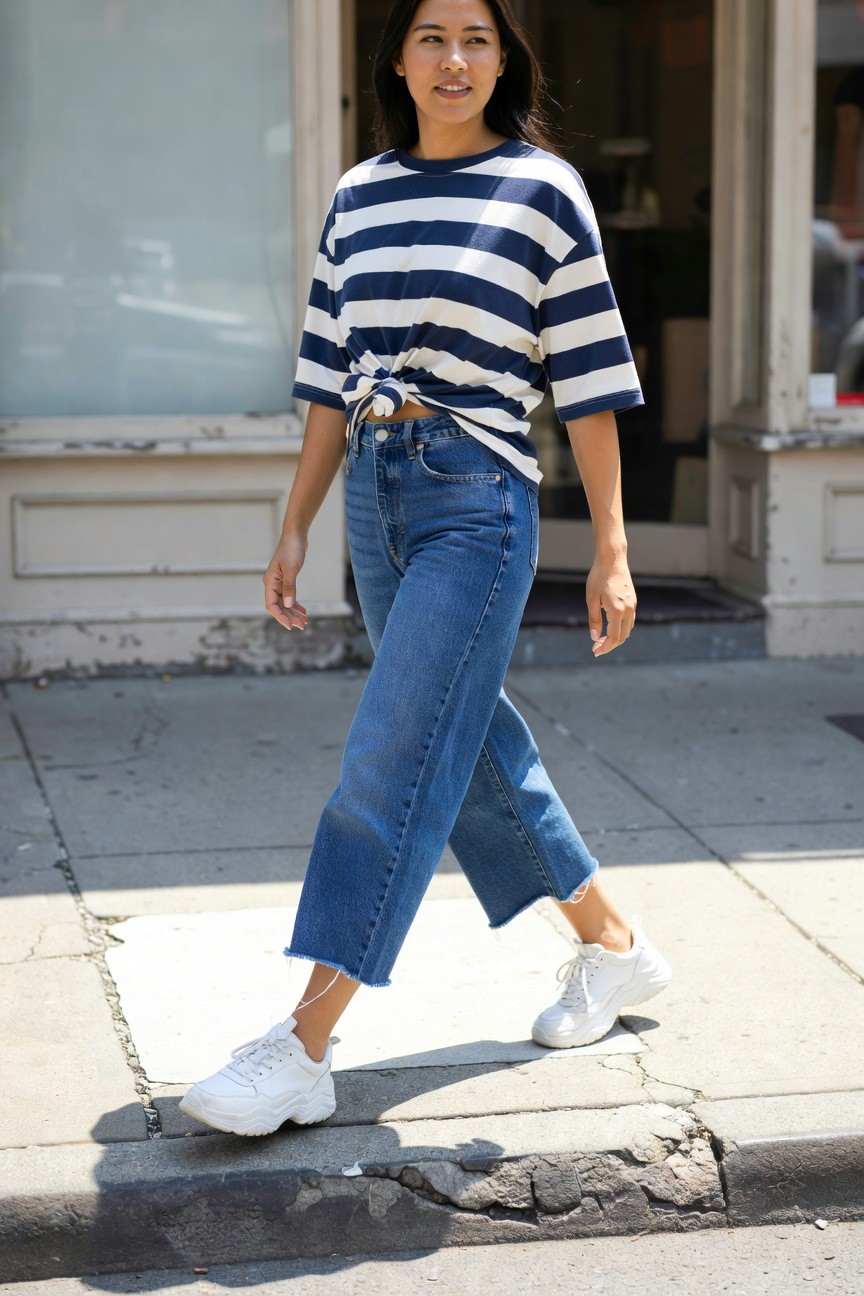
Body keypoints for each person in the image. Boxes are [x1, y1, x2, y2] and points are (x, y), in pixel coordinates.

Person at [180, 0, 672, 1138]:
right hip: (374, 492)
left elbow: (590, 379)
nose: (456, 59)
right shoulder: (358, 195)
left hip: (477, 500)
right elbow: (327, 375)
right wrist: (296, 525)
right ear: (397, 61)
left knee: (392, 760)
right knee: (472, 744)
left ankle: (304, 1045)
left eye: (477, 40)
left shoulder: (542, 189)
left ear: (504, 61)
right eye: (432, 39)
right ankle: (614, 949)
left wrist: (612, 547)